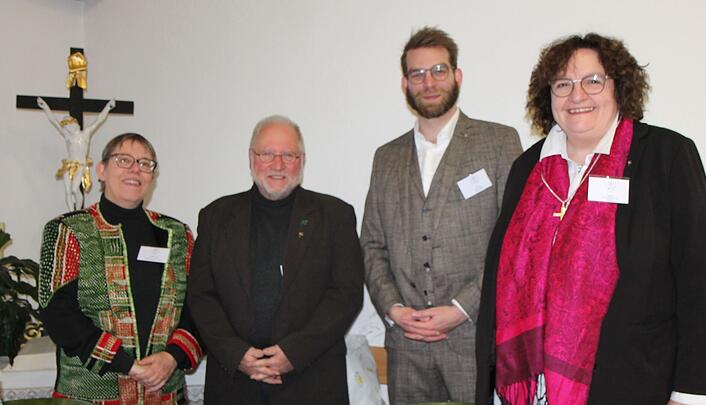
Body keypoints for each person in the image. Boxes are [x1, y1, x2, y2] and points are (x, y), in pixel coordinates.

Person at [475, 33, 706, 405]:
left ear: (619, 87)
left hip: (635, 385)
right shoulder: (528, 168)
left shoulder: (666, 156)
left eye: (593, 81)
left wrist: (692, 393)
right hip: (528, 388)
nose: (577, 95)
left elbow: (700, 281)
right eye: (563, 83)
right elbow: (500, 280)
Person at [361, 27, 522, 404]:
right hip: (405, 347)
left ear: (457, 75)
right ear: (405, 83)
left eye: (438, 70)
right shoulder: (386, 158)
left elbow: (513, 243)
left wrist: (462, 308)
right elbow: (372, 244)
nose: (428, 82)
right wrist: (393, 309)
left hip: (474, 341)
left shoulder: (499, 143)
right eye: (417, 74)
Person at [188, 115, 364, 404]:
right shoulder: (216, 216)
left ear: (303, 160)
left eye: (288, 155)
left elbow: (346, 295)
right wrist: (237, 354)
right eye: (267, 154)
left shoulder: (335, 216)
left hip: (311, 382)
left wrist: (293, 353)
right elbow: (201, 296)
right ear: (251, 157)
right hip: (234, 384)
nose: (278, 165)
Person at [38, 133, 203, 404]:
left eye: (145, 163)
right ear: (101, 170)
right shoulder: (69, 230)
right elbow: (57, 312)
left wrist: (171, 357)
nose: (135, 169)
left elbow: (198, 306)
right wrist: (127, 365)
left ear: (153, 176)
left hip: (164, 393)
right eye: (123, 160)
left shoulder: (177, 235)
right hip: (88, 395)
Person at [37, 96, 116, 210]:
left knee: (75, 189)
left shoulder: (86, 134)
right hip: (68, 165)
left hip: (80, 165)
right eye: (67, 127)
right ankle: (70, 213)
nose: (69, 129)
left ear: (75, 124)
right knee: (68, 190)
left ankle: (77, 212)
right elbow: (54, 121)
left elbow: (98, 120)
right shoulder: (68, 135)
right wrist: (45, 107)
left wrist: (108, 107)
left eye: (70, 126)